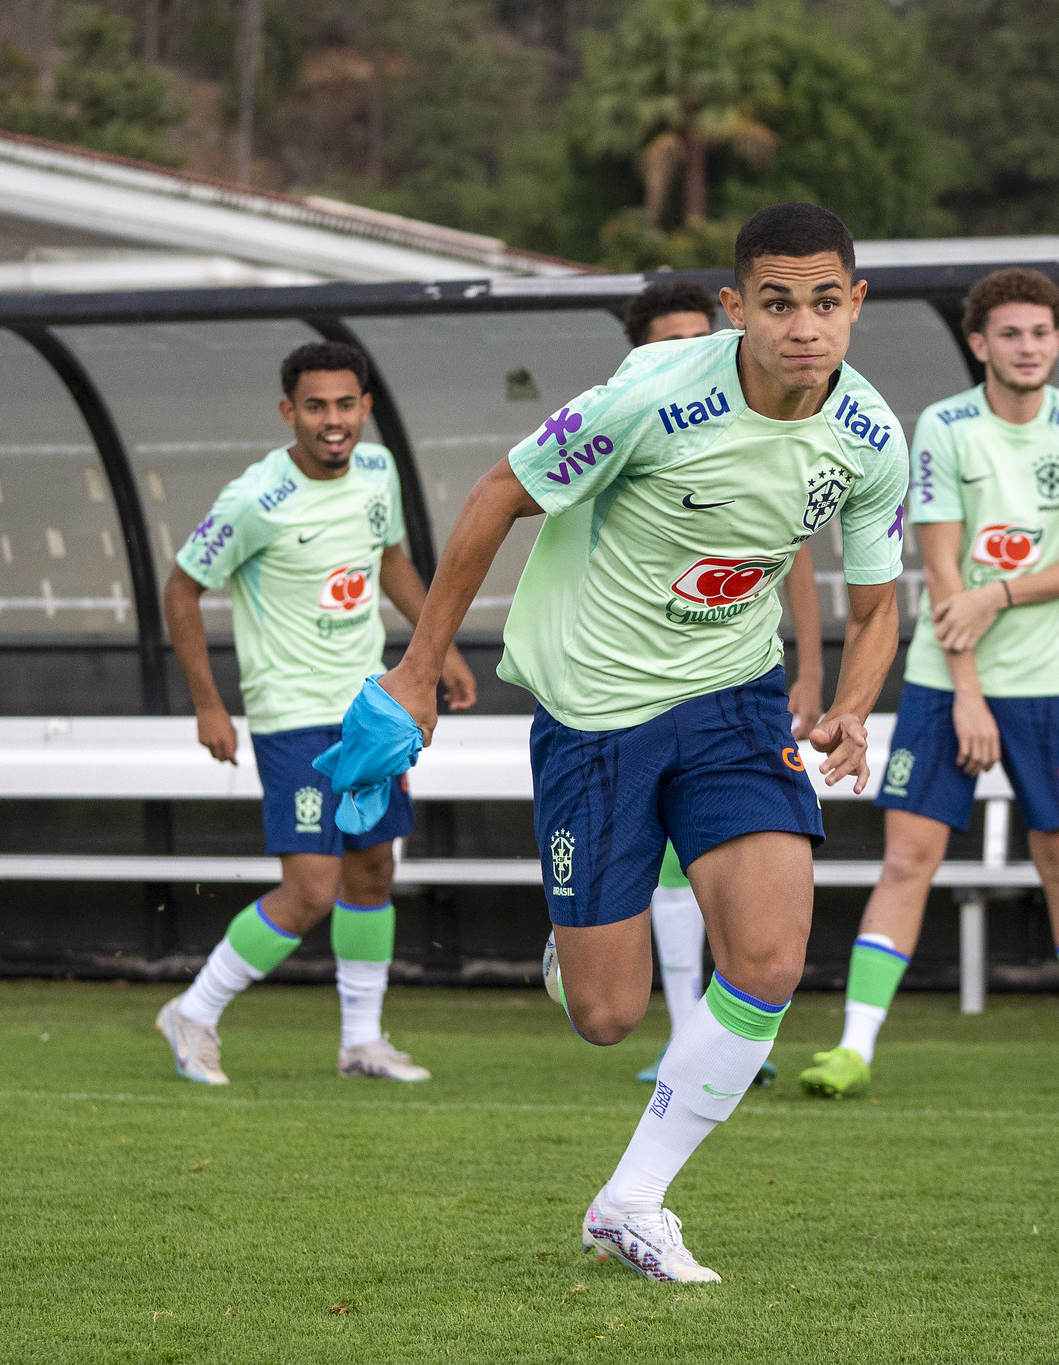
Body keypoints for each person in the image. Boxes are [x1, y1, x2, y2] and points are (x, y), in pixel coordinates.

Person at [327, 204, 907, 1282]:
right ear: (735, 308)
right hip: (594, 712)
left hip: (735, 695)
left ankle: (632, 1198)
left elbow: (876, 608)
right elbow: (499, 494)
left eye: (825, 302)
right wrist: (416, 669)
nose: (803, 326)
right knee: (606, 1014)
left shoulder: (871, 436)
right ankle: (575, 942)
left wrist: (854, 706)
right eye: (777, 303)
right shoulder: (652, 391)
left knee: (772, 957)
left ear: (855, 304)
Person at [797, 267, 1059, 1101]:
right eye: (1010, 334)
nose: (1027, 347)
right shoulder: (947, 427)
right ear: (978, 343)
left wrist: (1002, 592)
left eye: (1040, 333)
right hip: (941, 685)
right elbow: (941, 567)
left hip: (1046, 686)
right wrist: (966, 691)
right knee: (906, 861)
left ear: (1055, 341)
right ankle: (852, 1049)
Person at [154, 341, 477, 1087]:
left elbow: (390, 557)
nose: (332, 421)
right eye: (314, 406)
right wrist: (209, 704)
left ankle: (361, 1041)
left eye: (344, 404)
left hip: (372, 709)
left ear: (364, 407)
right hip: (291, 714)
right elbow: (180, 587)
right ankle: (194, 1010)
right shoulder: (252, 500)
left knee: (372, 870)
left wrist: (437, 647)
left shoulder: (377, 469)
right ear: (287, 412)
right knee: (309, 889)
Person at [619, 280, 824, 1089]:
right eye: (670, 342)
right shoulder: (622, 423)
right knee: (608, 988)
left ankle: (697, 1035)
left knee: (707, 867)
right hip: (623, 691)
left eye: (699, 337)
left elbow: (794, 549)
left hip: (726, 686)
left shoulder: (758, 425)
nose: (690, 354)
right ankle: (596, 948)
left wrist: (811, 666)